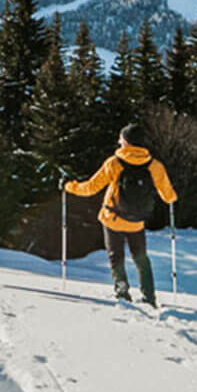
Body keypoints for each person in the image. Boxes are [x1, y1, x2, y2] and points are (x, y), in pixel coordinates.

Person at [65, 124, 177, 305]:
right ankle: (149, 296)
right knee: (141, 259)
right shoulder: (154, 166)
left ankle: (122, 292)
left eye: (121, 139)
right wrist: (172, 197)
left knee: (116, 257)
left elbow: (91, 188)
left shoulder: (114, 163)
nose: (119, 141)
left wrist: (69, 186)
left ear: (126, 142)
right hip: (137, 221)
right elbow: (168, 195)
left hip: (113, 218)